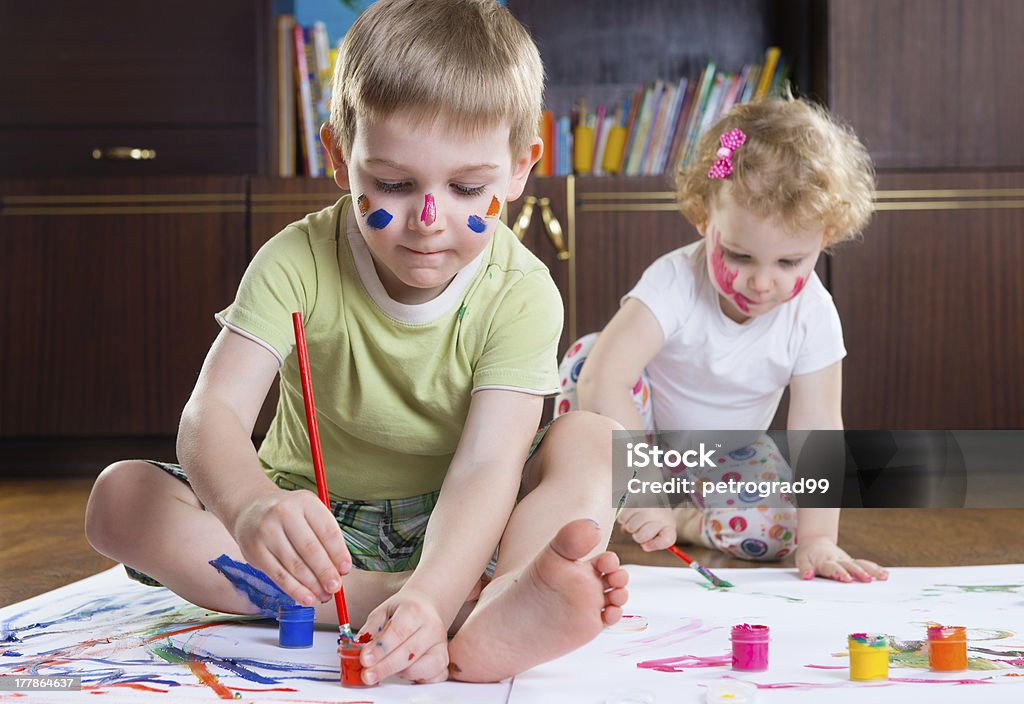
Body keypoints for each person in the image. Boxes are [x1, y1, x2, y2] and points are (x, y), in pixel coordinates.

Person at [85, 0, 627, 685]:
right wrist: (251, 505)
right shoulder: (296, 259)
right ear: (341, 157)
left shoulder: (522, 290)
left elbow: (489, 465)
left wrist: (433, 584)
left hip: (462, 531)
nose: (429, 220)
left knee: (597, 441)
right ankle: (442, 610)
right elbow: (212, 414)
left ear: (521, 169)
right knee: (120, 497)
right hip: (307, 534)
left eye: (467, 187)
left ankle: (499, 597)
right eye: (394, 184)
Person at [556, 95, 889, 584]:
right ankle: (597, 506)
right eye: (739, 255)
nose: (761, 282)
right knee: (588, 360)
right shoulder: (674, 282)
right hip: (639, 439)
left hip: (728, 456)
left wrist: (818, 540)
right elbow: (605, 381)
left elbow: (819, 426)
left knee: (781, 531)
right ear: (702, 218)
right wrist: (645, 487)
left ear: (827, 237)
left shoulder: (813, 314)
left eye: (789, 262)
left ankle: (688, 521)